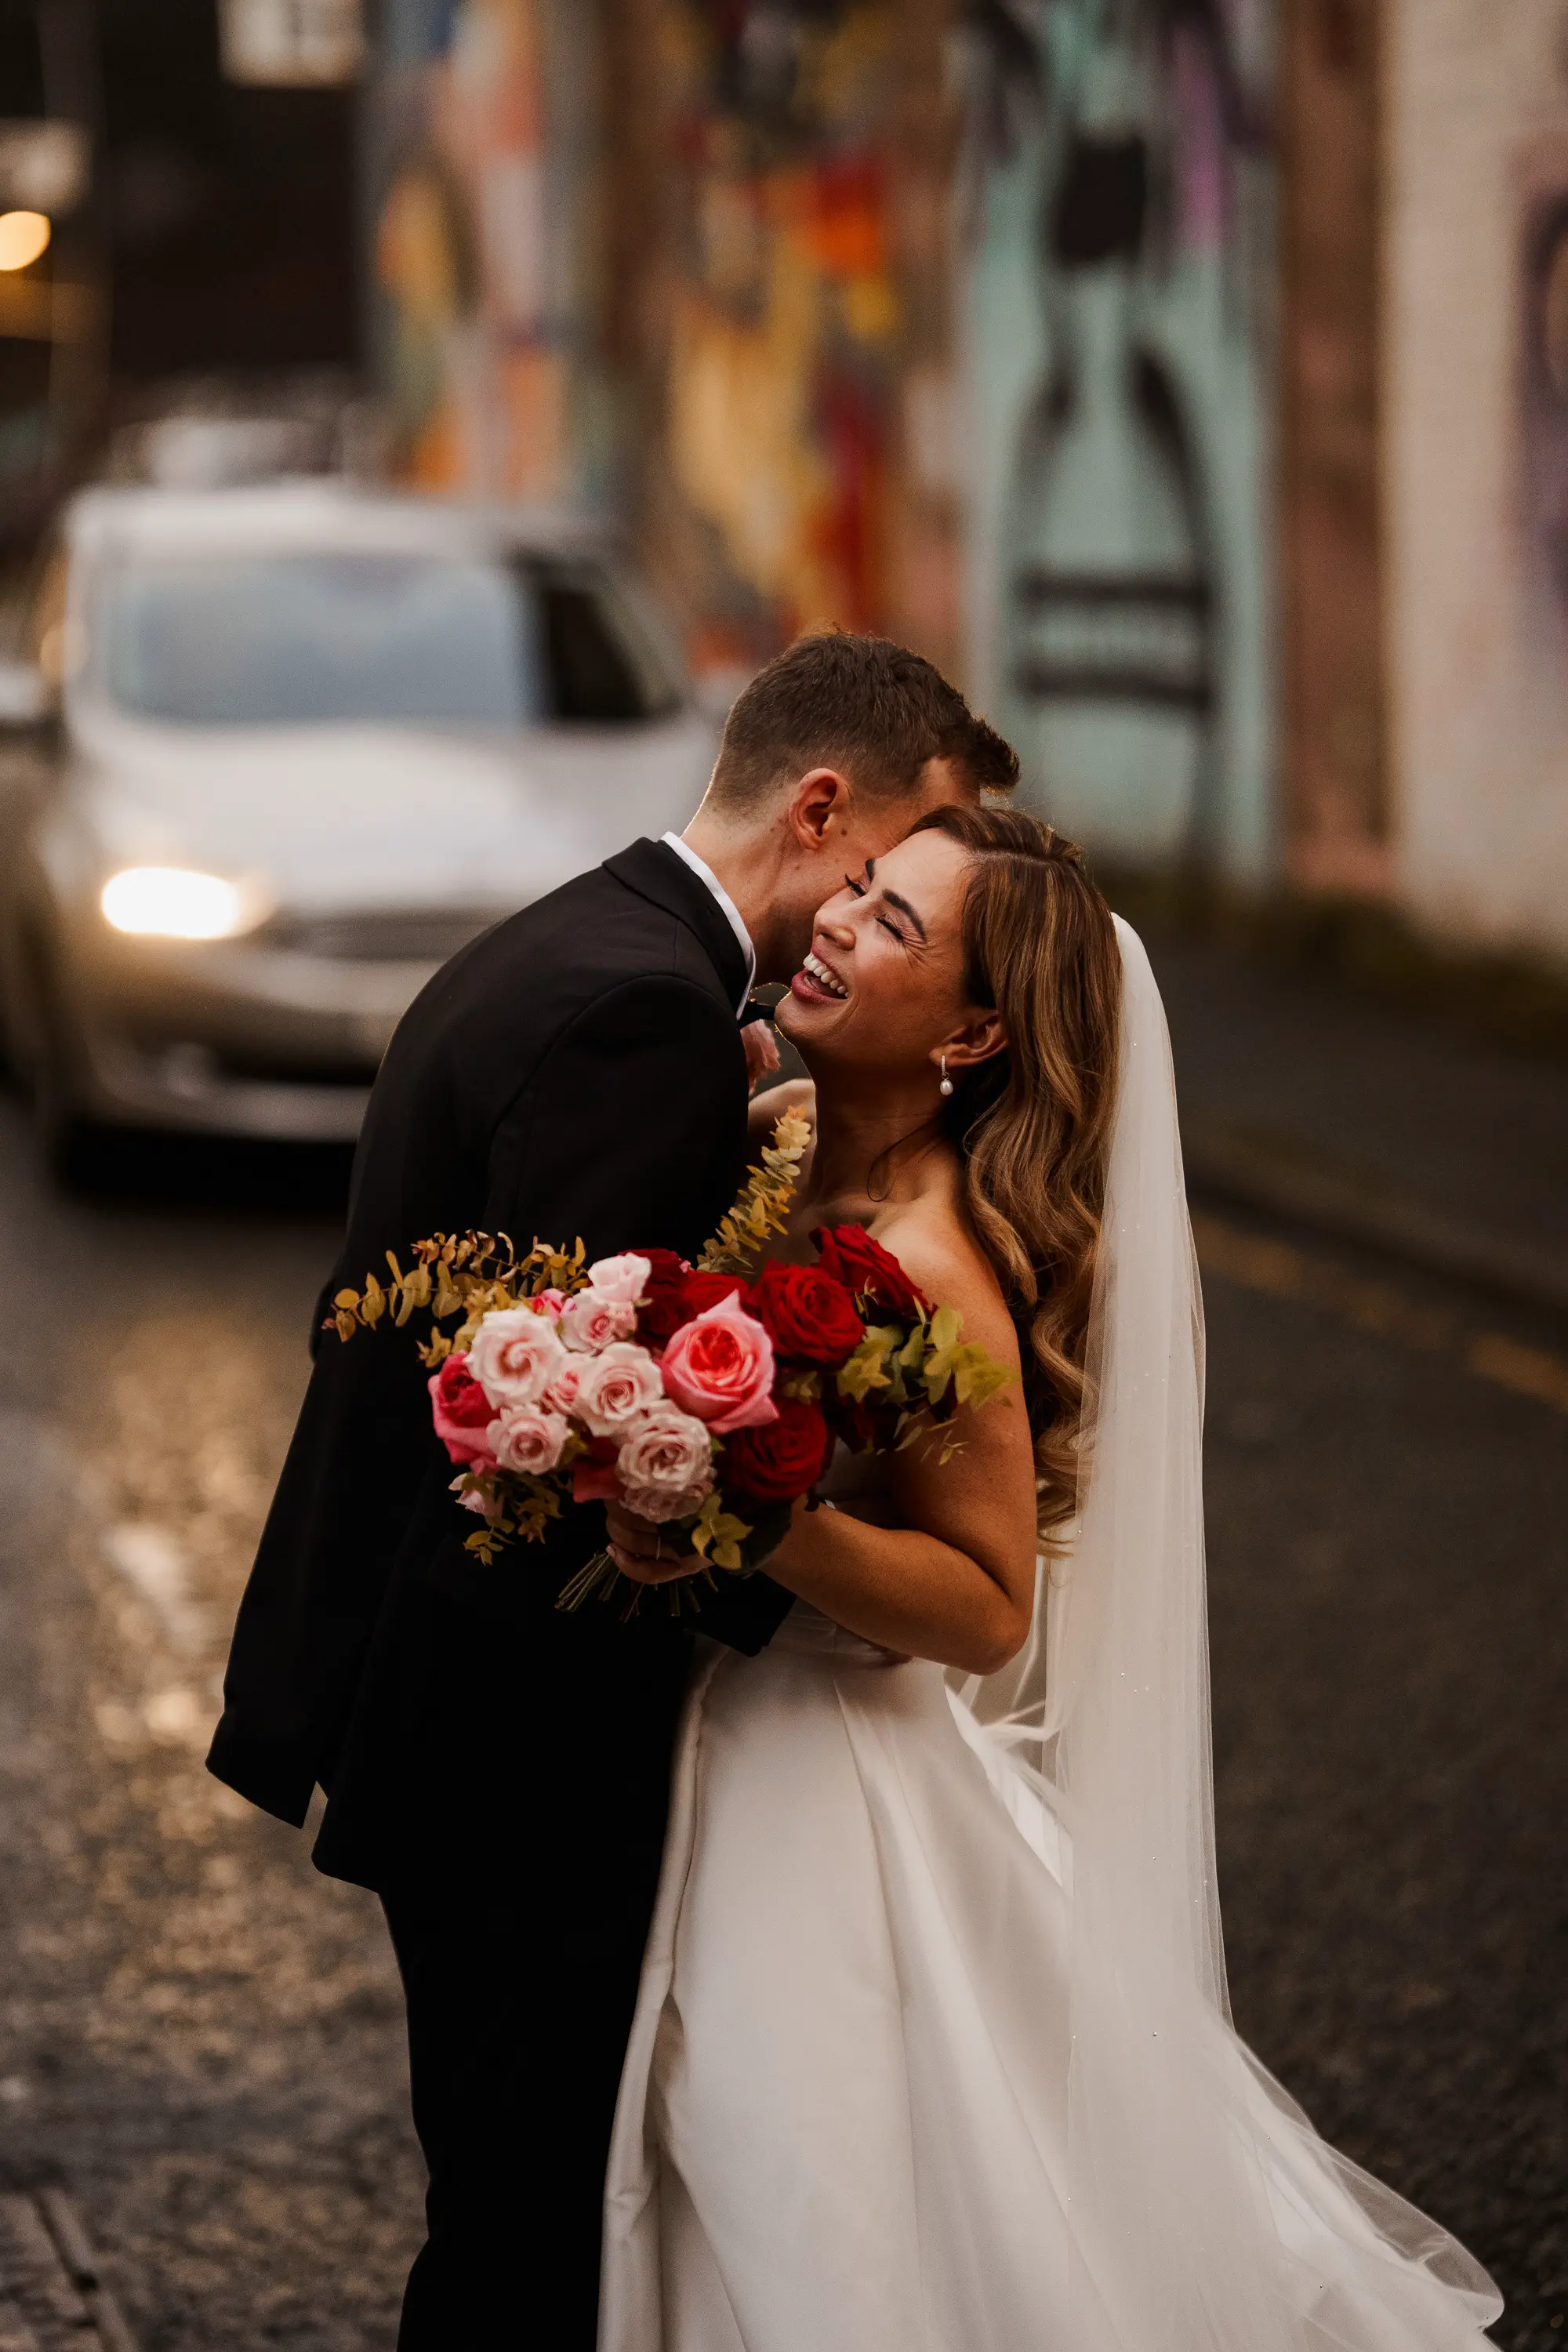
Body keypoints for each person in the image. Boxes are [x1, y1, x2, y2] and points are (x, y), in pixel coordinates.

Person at [598, 807, 1503, 2352]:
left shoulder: (938, 1262)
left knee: (791, 2173)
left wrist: (749, 1512)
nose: (837, 921)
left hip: (820, 1782)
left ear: (973, 1030)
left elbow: (987, 1599)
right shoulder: (786, 1135)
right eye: (864, 890)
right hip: (719, 1726)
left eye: (894, 926)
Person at [204, 633, 1018, 2348]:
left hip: (445, 1722)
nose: (882, 903)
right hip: (521, 1753)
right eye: (882, 866)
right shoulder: (644, 1015)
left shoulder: (586, 942)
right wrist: (765, 1563)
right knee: (527, 2248)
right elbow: (578, 1444)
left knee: (531, 2227)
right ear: (820, 806)